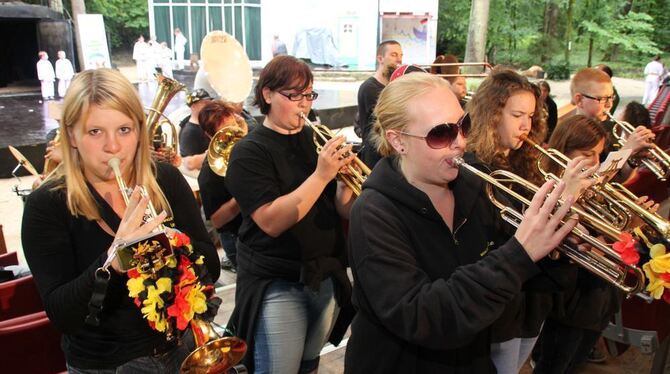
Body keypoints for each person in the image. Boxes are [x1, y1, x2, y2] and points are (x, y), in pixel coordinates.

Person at [344, 72, 578, 373]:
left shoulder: (478, 185)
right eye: (441, 134)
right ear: (398, 140)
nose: (460, 143)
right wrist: (520, 253)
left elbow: (522, 275)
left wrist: (560, 250)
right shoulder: (375, 212)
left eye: (463, 125)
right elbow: (423, 315)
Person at [21, 68, 220, 373]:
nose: (113, 147)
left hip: (182, 348)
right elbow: (63, 315)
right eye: (95, 132)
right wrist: (114, 260)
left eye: (124, 130)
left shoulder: (164, 178)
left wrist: (177, 245)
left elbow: (213, 267)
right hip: (107, 363)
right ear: (72, 135)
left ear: (139, 131)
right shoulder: (46, 205)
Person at [224, 55, 356, 373]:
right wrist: (322, 175)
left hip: (324, 275)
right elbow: (270, 221)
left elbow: (340, 209)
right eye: (294, 95)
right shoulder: (249, 151)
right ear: (267, 94)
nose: (304, 105)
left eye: (308, 95)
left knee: (308, 365)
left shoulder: (315, 138)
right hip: (277, 280)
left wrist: (343, 183)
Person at [466, 68, 595, 374]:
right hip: (503, 301)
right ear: (491, 114)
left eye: (531, 116)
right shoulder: (476, 168)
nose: (526, 125)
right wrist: (565, 197)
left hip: (534, 300)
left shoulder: (524, 161)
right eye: (516, 114)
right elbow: (512, 233)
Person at [570, 68, 655, 179]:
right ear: (579, 100)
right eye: (602, 99)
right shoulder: (572, 134)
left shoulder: (609, 128)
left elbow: (618, 177)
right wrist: (627, 150)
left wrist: (632, 160)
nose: (609, 104)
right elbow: (591, 182)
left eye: (611, 97)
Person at [197, 100, 249, 272]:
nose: (235, 136)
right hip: (237, 239)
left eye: (234, 127)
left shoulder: (243, 151)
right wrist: (244, 195)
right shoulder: (209, 173)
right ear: (210, 135)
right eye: (226, 132)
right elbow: (217, 221)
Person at [357, 40, 403, 168]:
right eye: (394, 55)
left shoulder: (393, 87)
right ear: (380, 58)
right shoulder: (369, 88)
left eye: (401, 55)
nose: (399, 60)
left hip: (391, 153)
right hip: (375, 156)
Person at [179, 89, 214, 173]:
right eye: (205, 103)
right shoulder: (189, 132)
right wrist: (213, 154)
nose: (209, 106)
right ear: (193, 106)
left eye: (209, 103)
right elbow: (189, 163)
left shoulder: (207, 124)